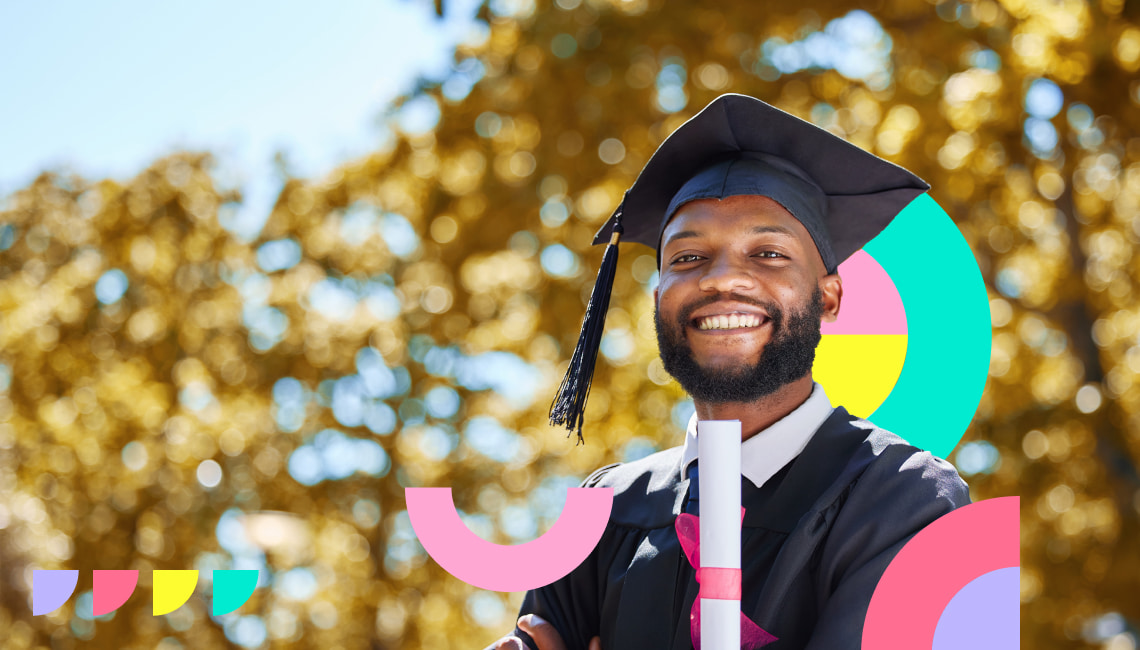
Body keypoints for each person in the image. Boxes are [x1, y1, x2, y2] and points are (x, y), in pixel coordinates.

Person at [485, 94, 971, 650]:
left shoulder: (913, 502)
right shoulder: (605, 512)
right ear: (658, 295)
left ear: (829, 296)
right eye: (688, 258)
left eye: (768, 254)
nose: (721, 280)